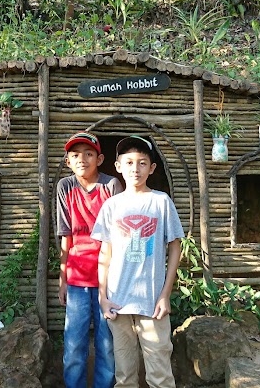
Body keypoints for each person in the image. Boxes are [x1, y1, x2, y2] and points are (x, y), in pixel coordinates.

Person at [92, 136, 184, 388]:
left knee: (160, 374)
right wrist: (102, 297)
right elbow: (105, 254)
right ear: (118, 166)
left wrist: (165, 294)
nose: (135, 168)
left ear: (152, 168)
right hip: (118, 303)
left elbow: (175, 246)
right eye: (129, 162)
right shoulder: (111, 205)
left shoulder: (160, 202)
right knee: (124, 376)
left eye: (143, 163)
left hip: (152, 303)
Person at [57, 131, 122, 388]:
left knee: (107, 342)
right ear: (68, 161)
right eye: (75, 155)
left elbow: (119, 234)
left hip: (109, 277)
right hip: (77, 276)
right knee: (74, 341)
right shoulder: (66, 187)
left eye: (88, 154)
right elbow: (66, 235)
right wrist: (62, 279)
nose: (82, 159)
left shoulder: (111, 186)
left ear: (100, 158)